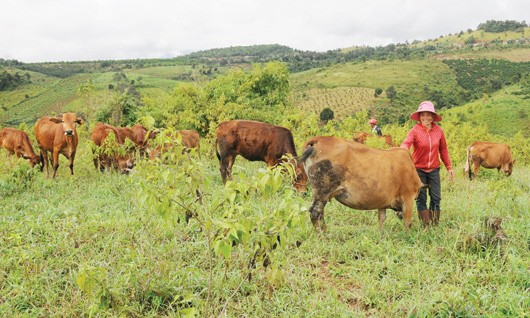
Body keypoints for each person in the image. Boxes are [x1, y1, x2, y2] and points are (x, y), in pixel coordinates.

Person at [400, 101, 454, 227]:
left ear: (433, 117)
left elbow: (443, 149)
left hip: (434, 169)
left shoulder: (439, 131)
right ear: (419, 117)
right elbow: (407, 143)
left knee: (436, 198)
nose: (426, 118)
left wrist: (449, 167)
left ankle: (434, 224)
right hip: (418, 170)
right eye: (423, 115)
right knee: (421, 198)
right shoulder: (414, 131)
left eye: (429, 115)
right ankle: (425, 225)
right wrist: (402, 151)